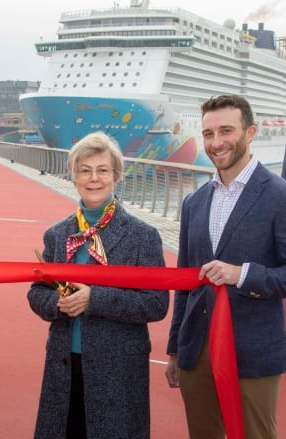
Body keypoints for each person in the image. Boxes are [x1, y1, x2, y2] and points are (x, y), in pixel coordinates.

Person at [164, 94, 286, 438]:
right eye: (208, 133)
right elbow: (186, 281)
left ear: (250, 133)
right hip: (196, 350)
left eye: (226, 131)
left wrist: (241, 274)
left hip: (252, 352)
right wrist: (175, 348)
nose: (216, 143)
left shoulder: (285, 197)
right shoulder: (194, 202)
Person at [27, 131, 169, 439]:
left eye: (102, 170)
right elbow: (37, 293)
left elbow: (157, 304)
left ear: (116, 175)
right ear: (74, 175)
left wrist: (95, 300)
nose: (94, 179)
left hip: (117, 366)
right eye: (85, 170)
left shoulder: (142, 236)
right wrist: (57, 304)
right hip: (65, 363)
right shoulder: (57, 234)